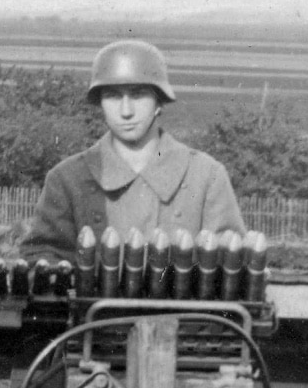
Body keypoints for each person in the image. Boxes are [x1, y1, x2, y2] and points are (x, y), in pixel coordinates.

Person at [20, 39, 245, 261]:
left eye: (138, 94)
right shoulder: (67, 180)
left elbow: (232, 263)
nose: (126, 111)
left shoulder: (205, 176)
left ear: (159, 101)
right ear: (100, 103)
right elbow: (43, 259)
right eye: (113, 96)